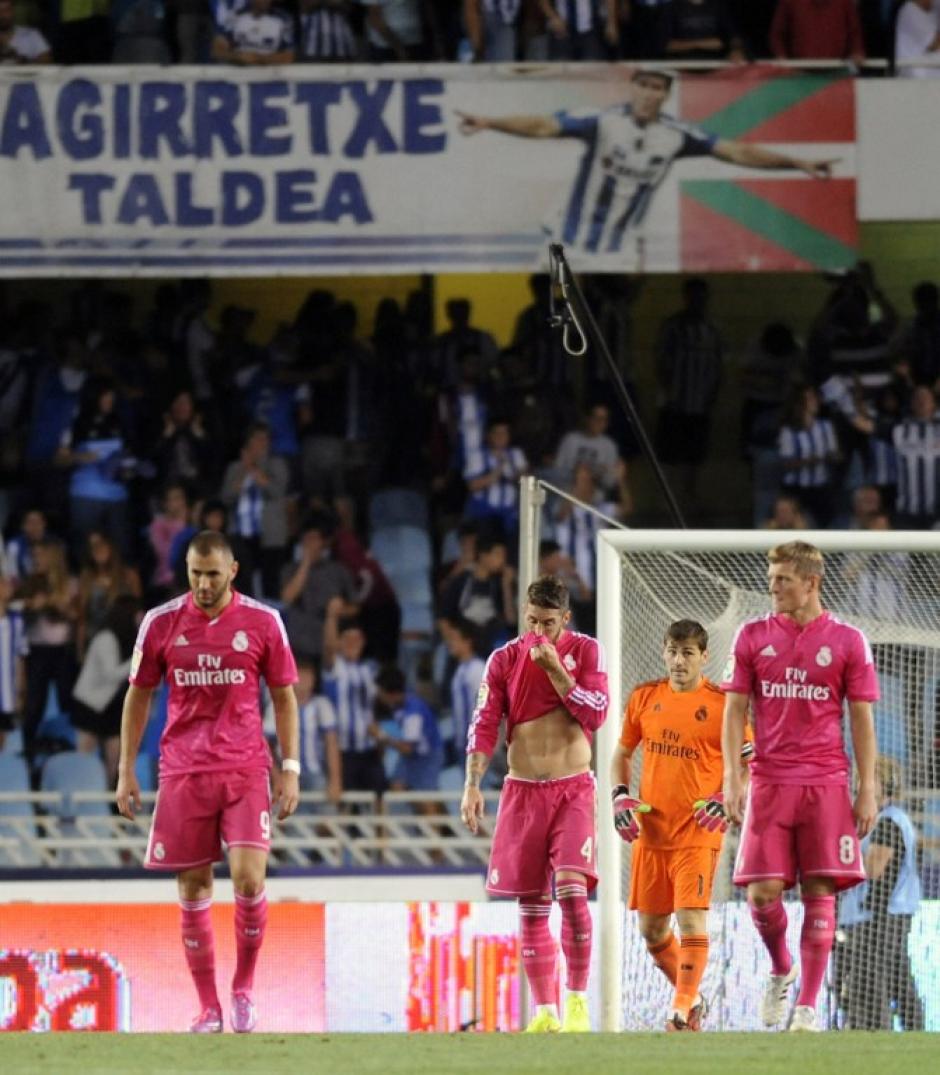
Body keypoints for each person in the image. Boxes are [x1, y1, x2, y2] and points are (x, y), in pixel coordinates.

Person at [116, 531, 300, 1034]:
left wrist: (290, 767)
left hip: (244, 767)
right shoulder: (160, 623)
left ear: (233, 570)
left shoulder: (264, 622)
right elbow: (138, 695)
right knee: (194, 886)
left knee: (248, 877)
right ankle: (208, 1008)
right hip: (184, 770)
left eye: (213, 574)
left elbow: (284, 697)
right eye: (196, 573)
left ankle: (243, 990)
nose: (203, 583)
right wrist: (126, 768)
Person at [722, 540, 879, 1033]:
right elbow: (734, 710)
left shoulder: (849, 641)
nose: (772, 589)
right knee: (761, 895)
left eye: (782, 580)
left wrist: (867, 785)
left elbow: (861, 718)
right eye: (771, 580)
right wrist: (733, 773)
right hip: (769, 781)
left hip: (826, 781)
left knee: (820, 888)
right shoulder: (750, 637)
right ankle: (780, 968)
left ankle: (808, 1007)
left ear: (811, 583)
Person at [457, 69, 836, 267]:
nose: (649, 93)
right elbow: (541, 126)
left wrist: (798, 162)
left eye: (657, 87)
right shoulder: (600, 121)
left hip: (618, 253)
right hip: (565, 245)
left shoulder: (677, 135)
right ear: (633, 87)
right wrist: (491, 122)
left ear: (666, 94)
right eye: (643, 85)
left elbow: (737, 152)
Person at [461, 575, 609, 1034]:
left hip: (572, 789)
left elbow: (597, 712)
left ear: (565, 618)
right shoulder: (504, 659)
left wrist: (557, 672)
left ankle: (578, 1003)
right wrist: (472, 783)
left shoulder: (586, 652)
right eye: (531, 621)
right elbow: (484, 722)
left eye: (548, 622)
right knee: (531, 904)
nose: (538, 632)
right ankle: (545, 1012)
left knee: (572, 890)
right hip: (523, 790)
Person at [612, 619, 752, 1031]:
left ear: (703, 657)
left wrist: (724, 796)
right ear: (664, 651)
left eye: (687, 653)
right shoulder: (644, 698)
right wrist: (621, 793)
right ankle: (692, 1000)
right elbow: (621, 753)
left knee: (691, 919)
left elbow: (749, 763)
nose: (678, 661)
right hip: (651, 832)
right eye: (672, 651)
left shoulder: (725, 706)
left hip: (698, 831)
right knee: (652, 930)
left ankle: (679, 1008)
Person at [837, 756, 925, 1031]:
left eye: (867, 779)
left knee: (872, 974)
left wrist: (839, 861)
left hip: (880, 914)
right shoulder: (885, 819)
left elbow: (875, 868)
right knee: (895, 972)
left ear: (884, 785)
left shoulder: (887, 822)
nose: (858, 784)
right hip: (881, 913)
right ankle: (914, 1029)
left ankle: (877, 1029)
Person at [71, 595, 141, 788]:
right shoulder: (106, 639)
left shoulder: (128, 641)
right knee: (85, 752)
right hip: (89, 705)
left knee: (115, 753)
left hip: (112, 706)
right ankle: (83, 790)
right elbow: (112, 674)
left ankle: (109, 793)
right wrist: (138, 657)